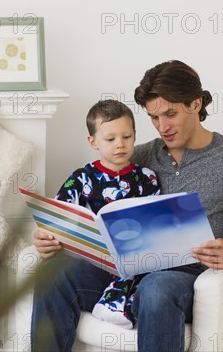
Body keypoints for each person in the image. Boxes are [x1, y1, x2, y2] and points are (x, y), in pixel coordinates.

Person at [31, 60, 223, 352]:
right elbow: (90, 192)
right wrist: (52, 237)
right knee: (55, 274)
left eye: (170, 114)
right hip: (123, 275)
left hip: (187, 279)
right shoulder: (138, 156)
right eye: (153, 117)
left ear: (196, 103)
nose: (162, 126)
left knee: (156, 287)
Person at [51, 99, 161, 328]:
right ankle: (114, 302)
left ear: (135, 135)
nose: (120, 144)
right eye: (110, 139)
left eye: (127, 137)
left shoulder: (147, 178)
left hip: (133, 259)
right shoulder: (81, 178)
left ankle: (119, 303)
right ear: (93, 142)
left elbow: (154, 222)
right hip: (93, 261)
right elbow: (58, 215)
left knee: (144, 267)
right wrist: (48, 236)